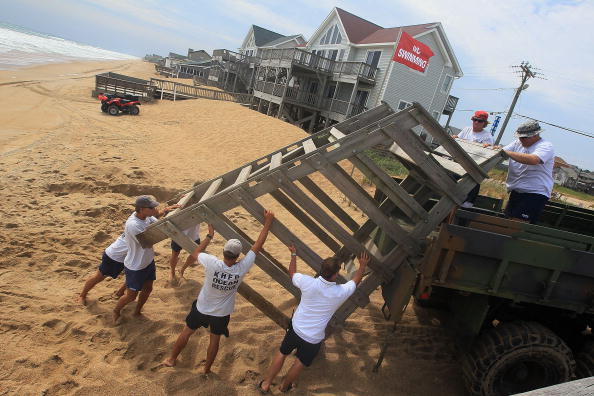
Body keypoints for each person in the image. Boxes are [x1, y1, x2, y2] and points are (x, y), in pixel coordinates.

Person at [163, 210, 275, 374]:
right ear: (237, 256)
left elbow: (195, 253)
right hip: (221, 313)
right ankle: (206, 369)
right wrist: (268, 222)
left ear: (224, 252)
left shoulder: (212, 262)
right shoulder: (241, 268)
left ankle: (172, 359)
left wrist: (209, 236)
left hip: (202, 307)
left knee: (187, 332)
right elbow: (258, 245)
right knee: (214, 340)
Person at [258, 246, 370, 393]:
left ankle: (266, 384)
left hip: (296, 329)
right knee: (300, 362)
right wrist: (362, 266)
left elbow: (292, 273)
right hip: (313, 338)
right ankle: (284, 387)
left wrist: (293, 254)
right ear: (336, 275)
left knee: (282, 352)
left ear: (322, 270)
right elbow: (355, 281)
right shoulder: (339, 292)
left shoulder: (308, 282)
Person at [112, 195, 178, 322]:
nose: (155, 209)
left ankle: (137, 311)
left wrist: (167, 210)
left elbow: (157, 220)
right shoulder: (133, 225)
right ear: (142, 209)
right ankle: (116, 310)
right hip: (136, 265)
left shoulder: (145, 217)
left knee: (148, 288)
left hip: (147, 261)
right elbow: (152, 238)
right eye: (151, 207)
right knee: (131, 296)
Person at [501, 120, 554, 223]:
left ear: (535, 135)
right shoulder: (518, 143)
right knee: (507, 220)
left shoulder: (545, 146)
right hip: (518, 190)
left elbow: (533, 160)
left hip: (535, 193)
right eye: (519, 137)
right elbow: (502, 152)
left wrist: (507, 152)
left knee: (516, 224)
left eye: (524, 137)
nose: (521, 140)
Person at [453, 110, 494, 208]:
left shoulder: (487, 136)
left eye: (480, 121)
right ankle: (453, 195)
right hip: (460, 161)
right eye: (475, 120)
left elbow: (488, 152)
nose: (476, 122)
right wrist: (455, 137)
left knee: (474, 179)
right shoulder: (467, 129)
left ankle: (468, 202)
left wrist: (486, 147)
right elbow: (458, 139)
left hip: (475, 164)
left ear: (484, 124)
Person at [78, 232, 127, 305]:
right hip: (114, 257)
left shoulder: (146, 222)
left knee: (132, 276)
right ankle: (82, 295)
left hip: (128, 256)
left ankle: (120, 292)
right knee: (99, 277)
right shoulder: (136, 225)